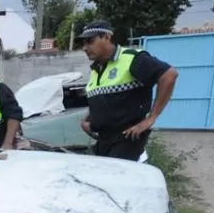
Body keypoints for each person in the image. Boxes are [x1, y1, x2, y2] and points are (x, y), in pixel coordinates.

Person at [76, 20, 178, 161]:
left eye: (90, 41)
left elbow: (169, 75)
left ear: (106, 37)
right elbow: (101, 100)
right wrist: (87, 121)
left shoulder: (131, 59)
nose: (85, 48)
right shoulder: (97, 69)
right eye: (83, 43)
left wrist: (151, 119)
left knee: (115, 180)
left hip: (127, 139)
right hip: (103, 139)